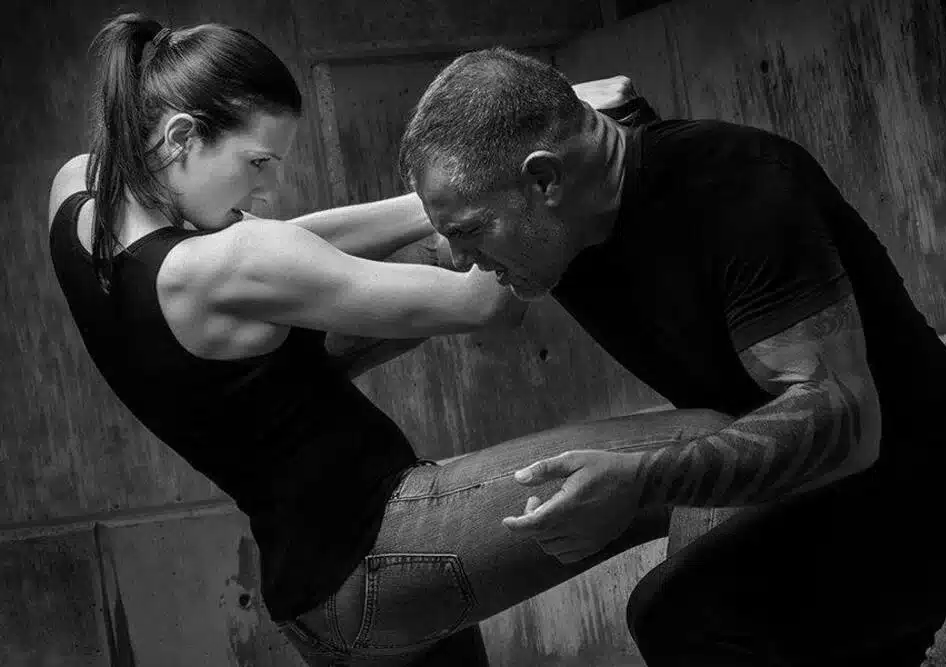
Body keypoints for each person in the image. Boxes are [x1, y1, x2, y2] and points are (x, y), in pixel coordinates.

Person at [48, 14, 738, 667]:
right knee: (714, 447)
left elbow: (274, 247)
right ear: (179, 136)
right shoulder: (221, 265)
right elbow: (490, 299)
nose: (269, 188)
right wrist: (552, 143)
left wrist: (430, 210)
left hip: (314, 587)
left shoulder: (78, 194)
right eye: (258, 163)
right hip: (380, 553)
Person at [401, 47, 946, 666]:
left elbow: (845, 421)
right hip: (813, 498)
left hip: (930, 494)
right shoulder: (566, 221)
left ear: (546, 180)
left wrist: (641, 481)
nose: (458, 258)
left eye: (469, 231)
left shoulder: (739, 184)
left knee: (678, 616)